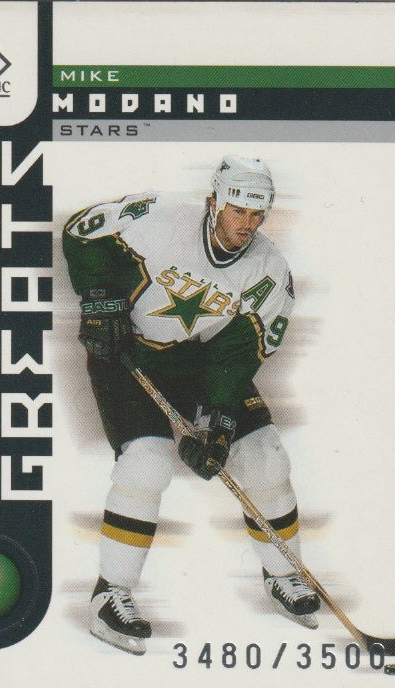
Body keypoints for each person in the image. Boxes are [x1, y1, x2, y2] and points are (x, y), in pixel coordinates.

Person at [62, 155, 319, 655]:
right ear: (213, 201)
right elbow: (81, 232)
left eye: (257, 214)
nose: (247, 224)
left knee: (266, 457)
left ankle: (284, 573)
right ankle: (109, 593)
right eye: (237, 210)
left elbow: (239, 353)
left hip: (200, 366)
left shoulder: (269, 273)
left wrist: (220, 426)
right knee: (146, 464)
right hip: (127, 355)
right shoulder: (158, 218)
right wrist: (97, 298)